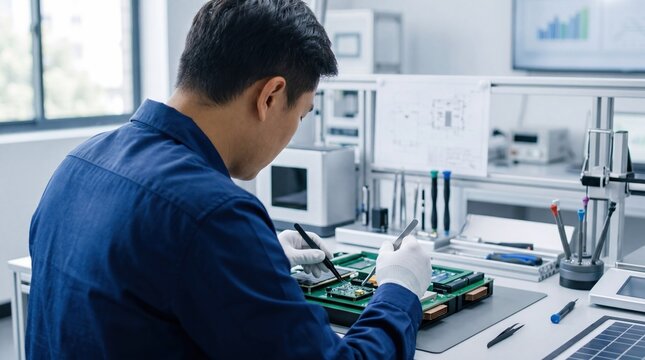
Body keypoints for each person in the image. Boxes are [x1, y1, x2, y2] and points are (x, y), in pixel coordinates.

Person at [26, 0, 433, 358]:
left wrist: (256, 259)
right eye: (302, 113)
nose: (293, 133)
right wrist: (400, 288)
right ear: (270, 96)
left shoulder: (79, 162)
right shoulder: (214, 214)